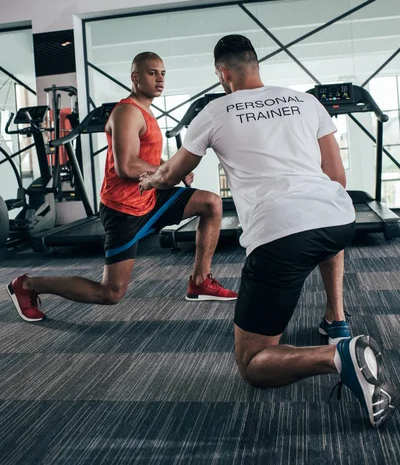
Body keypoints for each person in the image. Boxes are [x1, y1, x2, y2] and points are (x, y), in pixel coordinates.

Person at [138, 36, 398, 427]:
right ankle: (335, 318)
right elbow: (337, 179)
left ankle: (339, 355)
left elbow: (173, 174)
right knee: (321, 214)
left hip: (279, 237)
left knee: (254, 365)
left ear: (223, 73)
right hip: (339, 222)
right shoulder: (307, 102)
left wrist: (150, 179)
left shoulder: (215, 110)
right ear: (255, 65)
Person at [7, 51, 237, 323]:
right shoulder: (128, 112)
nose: (160, 79)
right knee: (111, 293)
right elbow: (126, 167)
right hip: (124, 209)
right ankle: (27, 285)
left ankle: (199, 282)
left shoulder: (146, 112)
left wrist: (169, 167)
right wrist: (171, 170)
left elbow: (146, 158)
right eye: (152, 73)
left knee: (211, 202)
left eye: (163, 73)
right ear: (135, 78)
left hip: (150, 197)